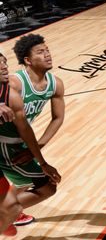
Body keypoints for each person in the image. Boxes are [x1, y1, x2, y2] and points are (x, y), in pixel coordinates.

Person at [5, 34, 66, 226]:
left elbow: (58, 118)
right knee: (47, 187)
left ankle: (9, 211)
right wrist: (40, 159)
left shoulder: (55, 83)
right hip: (4, 142)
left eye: (47, 50)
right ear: (28, 60)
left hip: (16, 141)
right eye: (41, 52)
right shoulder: (16, 83)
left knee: (22, 183)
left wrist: (36, 147)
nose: (47, 54)